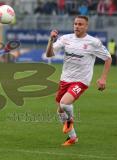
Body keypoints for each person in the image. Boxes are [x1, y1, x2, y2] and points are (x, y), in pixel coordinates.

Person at [45, 15, 112, 146]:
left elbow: (108, 58)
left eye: (80, 24)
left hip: (81, 80)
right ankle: (73, 137)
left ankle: (70, 120)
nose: (77, 26)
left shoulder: (93, 42)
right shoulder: (66, 39)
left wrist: (103, 78)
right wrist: (50, 40)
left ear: (86, 26)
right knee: (60, 111)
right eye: (75, 24)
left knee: (65, 104)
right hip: (65, 79)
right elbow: (49, 54)